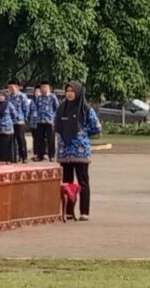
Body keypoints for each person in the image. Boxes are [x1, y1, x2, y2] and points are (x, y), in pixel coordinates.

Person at [56, 81, 102, 221]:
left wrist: (81, 132)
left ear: (78, 92)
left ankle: (84, 211)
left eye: (72, 91)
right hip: (65, 150)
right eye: (67, 91)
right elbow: (56, 124)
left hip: (80, 151)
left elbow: (96, 127)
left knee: (82, 182)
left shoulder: (86, 109)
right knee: (67, 182)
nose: (69, 93)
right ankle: (69, 211)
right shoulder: (61, 108)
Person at [31, 81, 59, 162]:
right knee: (40, 139)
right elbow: (36, 107)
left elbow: (56, 108)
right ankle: (40, 155)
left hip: (49, 121)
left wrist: (54, 118)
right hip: (40, 121)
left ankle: (52, 156)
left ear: (49, 88)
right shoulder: (39, 98)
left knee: (51, 139)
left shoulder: (53, 97)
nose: (44, 89)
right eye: (42, 87)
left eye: (45, 87)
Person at [0, 89, 20, 164]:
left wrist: (11, 122)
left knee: (7, 145)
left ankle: (8, 159)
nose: (0, 97)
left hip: (7, 128)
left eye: (2, 96)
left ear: (5, 97)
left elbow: (14, 115)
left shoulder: (9, 104)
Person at [7, 80, 30, 163]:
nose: (10, 89)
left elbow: (26, 108)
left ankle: (24, 157)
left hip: (19, 121)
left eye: (11, 87)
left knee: (21, 140)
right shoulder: (8, 97)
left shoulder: (22, 96)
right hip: (10, 121)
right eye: (9, 87)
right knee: (12, 140)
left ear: (17, 87)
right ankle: (14, 157)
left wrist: (24, 118)